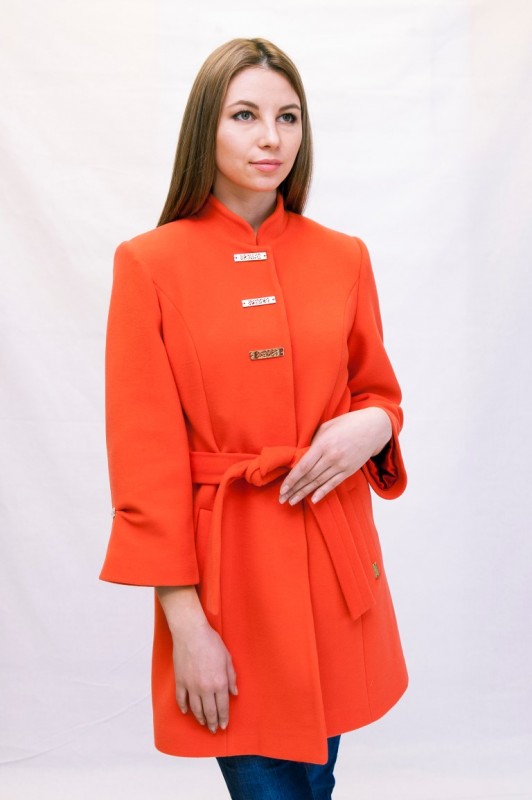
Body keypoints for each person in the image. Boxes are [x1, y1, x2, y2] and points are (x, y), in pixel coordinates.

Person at [100, 37, 408, 800]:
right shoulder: (148, 264)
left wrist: (376, 426)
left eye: (288, 117)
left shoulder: (345, 257)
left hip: (334, 563)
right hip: (227, 584)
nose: (271, 137)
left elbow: (379, 394)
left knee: (317, 781)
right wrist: (186, 623)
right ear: (206, 125)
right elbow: (144, 463)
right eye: (245, 115)